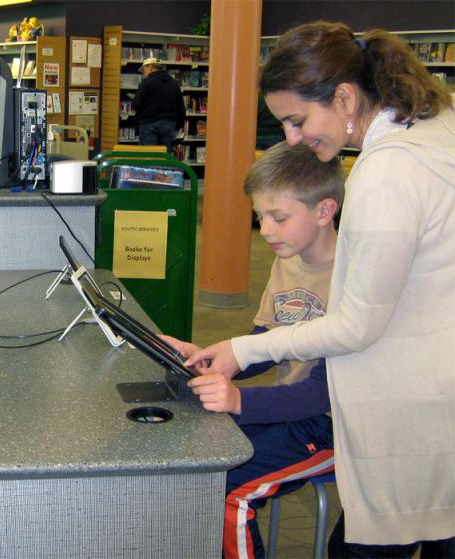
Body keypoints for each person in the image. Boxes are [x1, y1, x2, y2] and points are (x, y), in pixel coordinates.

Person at [186, 21, 455, 557]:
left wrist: (242, 350)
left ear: (346, 97)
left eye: (297, 119)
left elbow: (357, 325)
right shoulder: (436, 130)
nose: (292, 138)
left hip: (412, 406)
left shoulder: (388, 172)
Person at [164, 141, 343, 559]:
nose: (265, 230)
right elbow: (262, 340)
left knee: (232, 492)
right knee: (197, 460)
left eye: (278, 217)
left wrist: (239, 400)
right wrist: (215, 359)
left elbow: (322, 392)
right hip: (289, 411)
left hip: (332, 427)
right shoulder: (289, 258)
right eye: (260, 216)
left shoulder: (352, 277)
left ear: (323, 211)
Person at [131, 57, 186, 151]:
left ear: (151, 68)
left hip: (149, 123)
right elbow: (181, 107)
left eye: (144, 70)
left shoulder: (147, 82)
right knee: (164, 156)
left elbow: (136, 105)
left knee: (149, 156)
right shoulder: (173, 83)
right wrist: (177, 126)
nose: (144, 73)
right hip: (169, 124)